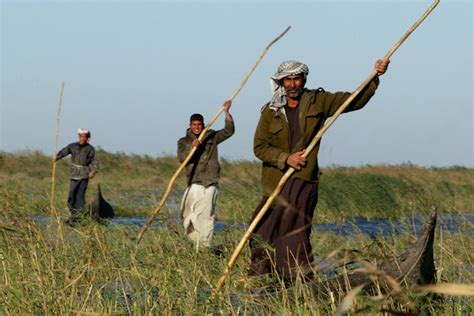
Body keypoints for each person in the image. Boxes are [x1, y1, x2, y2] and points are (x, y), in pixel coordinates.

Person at [249, 59, 390, 281]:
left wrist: (375, 77)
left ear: (303, 79)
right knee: (260, 230)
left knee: (294, 232)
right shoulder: (270, 111)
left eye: (297, 79)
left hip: (304, 180)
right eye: (288, 79)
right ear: (282, 82)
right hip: (274, 182)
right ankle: (260, 278)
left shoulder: (318, 101)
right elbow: (259, 147)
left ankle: (299, 280)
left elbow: (354, 100)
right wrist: (286, 158)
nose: (293, 84)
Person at [178, 101, 235, 248]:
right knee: (188, 215)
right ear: (190, 125)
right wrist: (192, 147)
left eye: (199, 124)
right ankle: (193, 243)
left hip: (210, 182)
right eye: (194, 125)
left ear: (203, 125)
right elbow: (182, 158)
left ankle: (204, 246)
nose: (197, 127)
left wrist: (226, 112)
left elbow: (229, 131)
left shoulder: (212, 137)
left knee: (206, 216)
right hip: (194, 182)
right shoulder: (184, 141)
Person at [55, 128, 99, 223]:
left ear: (88, 138)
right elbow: (64, 151)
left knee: (80, 194)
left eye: (85, 137)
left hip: (84, 173)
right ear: (79, 136)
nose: (83, 138)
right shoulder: (72, 146)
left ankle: (80, 214)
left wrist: (93, 171)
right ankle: (72, 212)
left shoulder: (90, 149)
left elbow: (94, 160)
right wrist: (57, 157)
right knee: (72, 192)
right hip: (74, 173)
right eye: (81, 136)